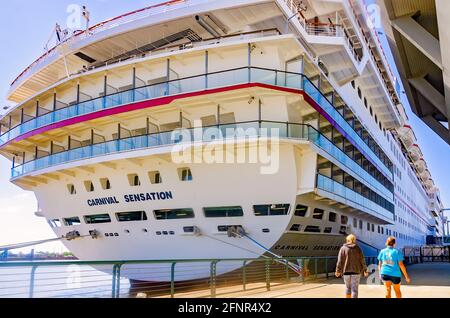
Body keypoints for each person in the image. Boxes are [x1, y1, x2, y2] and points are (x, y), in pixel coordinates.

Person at [335, 234, 368, 298]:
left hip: (346, 272)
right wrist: (365, 270)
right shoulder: (358, 248)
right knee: (354, 290)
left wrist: (337, 271)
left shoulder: (343, 248)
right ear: (354, 240)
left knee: (348, 288)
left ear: (347, 240)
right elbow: (362, 260)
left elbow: (339, 261)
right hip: (356, 271)